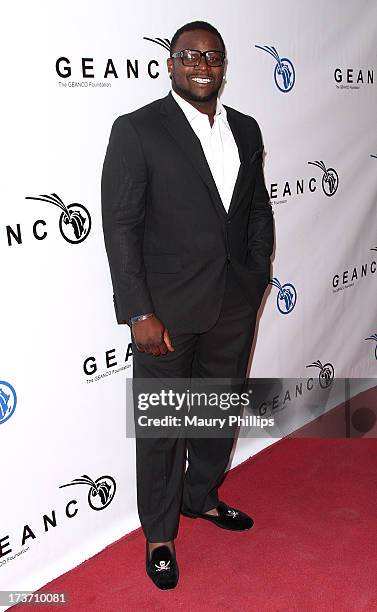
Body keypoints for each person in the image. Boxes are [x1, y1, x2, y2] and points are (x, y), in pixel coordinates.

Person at [101, 20, 274, 590]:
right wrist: (138, 312)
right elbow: (122, 228)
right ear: (169, 64)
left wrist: (255, 276)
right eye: (190, 55)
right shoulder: (138, 130)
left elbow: (255, 212)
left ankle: (202, 497)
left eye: (214, 56)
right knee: (163, 426)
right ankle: (159, 533)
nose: (203, 65)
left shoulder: (246, 130)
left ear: (225, 67)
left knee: (215, 414)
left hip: (231, 304)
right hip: (166, 316)